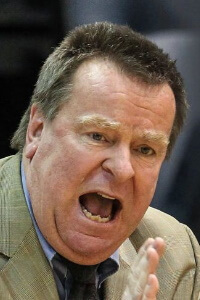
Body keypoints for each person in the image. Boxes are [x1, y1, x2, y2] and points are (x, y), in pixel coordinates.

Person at [0, 22, 199, 300]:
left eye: (145, 150)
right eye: (98, 135)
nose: (122, 169)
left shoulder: (175, 255)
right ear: (37, 130)